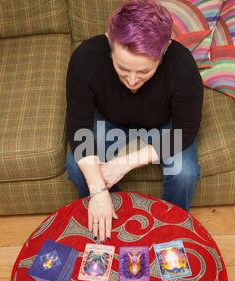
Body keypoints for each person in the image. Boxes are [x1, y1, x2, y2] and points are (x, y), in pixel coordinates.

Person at [66, 0, 203, 243]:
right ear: (110, 40)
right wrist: (98, 191)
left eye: (143, 72)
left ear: (164, 50)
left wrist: (123, 163)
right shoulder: (85, 58)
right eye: (122, 68)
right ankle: (116, 216)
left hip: (163, 125)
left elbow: (186, 131)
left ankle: (171, 228)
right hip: (108, 119)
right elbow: (79, 129)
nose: (131, 80)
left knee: (185, 172)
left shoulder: (183, 66)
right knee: (79, 168)